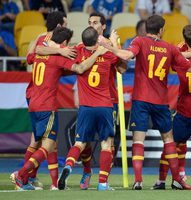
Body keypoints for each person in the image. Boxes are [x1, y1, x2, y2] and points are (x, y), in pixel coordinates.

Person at [99, 14, 191, 190]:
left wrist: (109, 45)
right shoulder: (170, 48)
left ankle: (138, 180)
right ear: (161, 30)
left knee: (139, 141)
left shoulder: (139, 41)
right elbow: (190, 67)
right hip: (161, 101)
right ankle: (176, 179)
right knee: (169, 141)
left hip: (141, 99)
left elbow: (127, 55)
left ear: (146, 28)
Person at [12, 26, 107, 191]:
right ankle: (21, 175)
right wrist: (97, 54)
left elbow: (34, 55)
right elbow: (79, 68)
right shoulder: (58, 59)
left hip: (33, 104)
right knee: (47, 146)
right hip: (47, 106)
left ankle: (50, 184)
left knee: (47, 145)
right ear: (64, 42)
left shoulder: (39, 55)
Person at [10, 11, 76, 191]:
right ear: (59, 26)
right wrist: (61, 51)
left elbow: (31, 57)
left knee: (45, 142)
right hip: (40, 96)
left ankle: (52, 184)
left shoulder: (46, 41)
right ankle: (24, 176)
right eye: (65, 23)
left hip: (35, 96)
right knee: (40, 142)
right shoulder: (45, 39)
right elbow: (36, 52)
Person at [57, 26, 126, 191]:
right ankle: (102, 183)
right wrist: (114, 43)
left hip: (86, 106)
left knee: (79, 142)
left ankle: (67, 166)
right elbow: (123, 69)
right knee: (106, 144)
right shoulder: (106, 53)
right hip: (104, 106)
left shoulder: (78, 50)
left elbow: (67, 61)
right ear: (97, 40)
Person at [152, 24, 191, 190]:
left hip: (185, 109)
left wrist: (185, 55)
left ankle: (161, 180)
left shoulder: (177, 49)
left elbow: (171, 61)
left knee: (171, 145)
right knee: (173, 144)